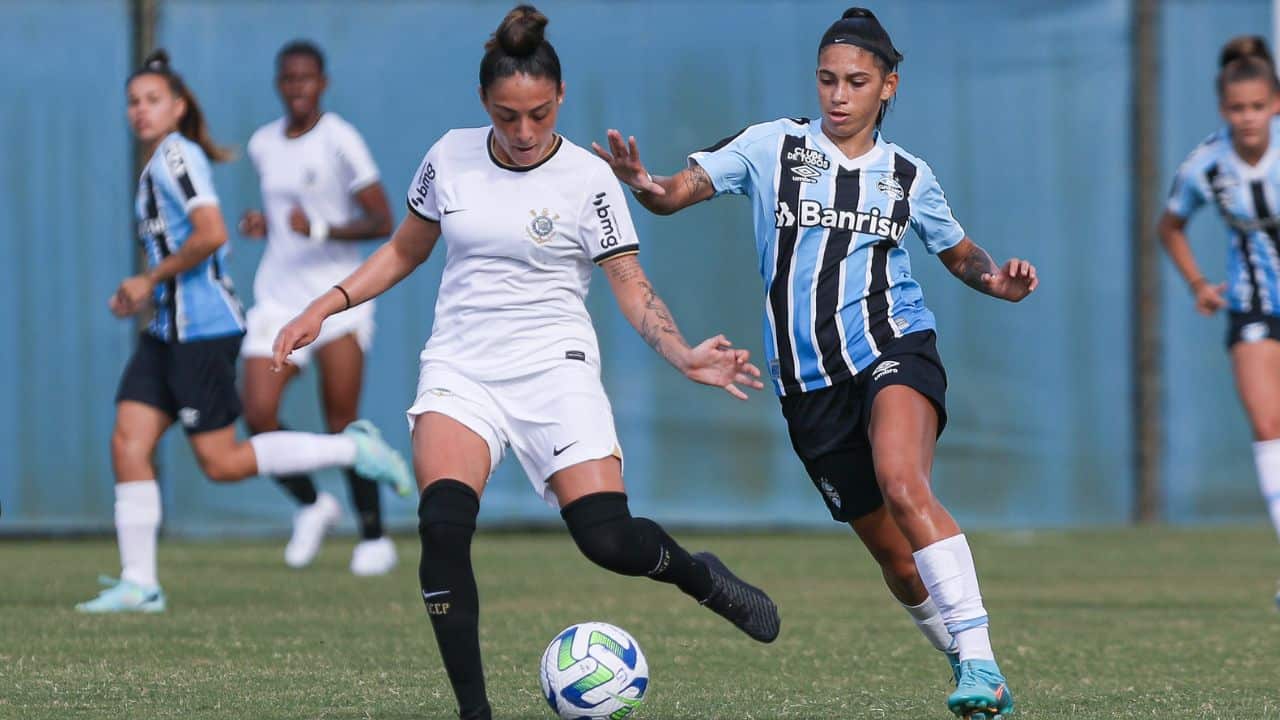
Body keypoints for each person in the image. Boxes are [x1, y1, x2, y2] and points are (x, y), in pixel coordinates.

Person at [272, 7, 780, 719]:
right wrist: (324, 305)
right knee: (444, 527)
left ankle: (700, 576)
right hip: (461, 367)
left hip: (555, 369)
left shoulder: (589, 178)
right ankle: (474, 713)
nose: (523, 132)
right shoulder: (447, 155)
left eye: (538, 115)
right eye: (508, 116)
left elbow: (631, 286)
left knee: (608, 541)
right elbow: (403, 250)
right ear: (485, 104)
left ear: (560, 98)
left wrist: (683, 354)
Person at [591, 8, 1037, 718]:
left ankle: (980, 658)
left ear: (887, 87)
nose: (838, 95)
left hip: (893, 347)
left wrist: (997, 281)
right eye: (827, 79)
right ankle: (968, 663)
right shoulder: (773, 146)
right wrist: (647, 185)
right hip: (808, 387)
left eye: (856, 82)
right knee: (894, 557)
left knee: (901, 480)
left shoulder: (907, 176)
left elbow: (960, 254)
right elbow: (678, 192)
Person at [77, 50, 412, 615]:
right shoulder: (167, 159)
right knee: (127, 442)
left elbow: (209, 234)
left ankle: (350, 450)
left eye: (153, 100)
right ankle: (141, 584)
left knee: (222, 463)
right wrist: (150, 290)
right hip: (167, 329)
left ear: (178, 107)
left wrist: (149, 277)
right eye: (133, 101)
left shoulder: (177, 157)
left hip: (204, 330)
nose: (140, 110)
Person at [239, 40, 398, 575]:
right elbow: (281, 214)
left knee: (341, 422)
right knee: (259, 414)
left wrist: (324, 228)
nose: (297, 88)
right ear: (279, 85)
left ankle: (374, 537)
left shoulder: (340, 139)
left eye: (306, 79)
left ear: (322, 84)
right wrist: (263, 224)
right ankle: (313, 504)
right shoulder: (263, 143)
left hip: (337, 300)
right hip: (278, 298)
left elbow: (384, 221)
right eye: (288, 79)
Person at [1159, 35, 1280, 610]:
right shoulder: (1208, 163)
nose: (1248, 118)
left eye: (1258, 106)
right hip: (1253, 305)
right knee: (1268, 424)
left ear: (1275, 104)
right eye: (1238, 108)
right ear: (1223, 111)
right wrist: (1199, 284)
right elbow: (1170, 225)